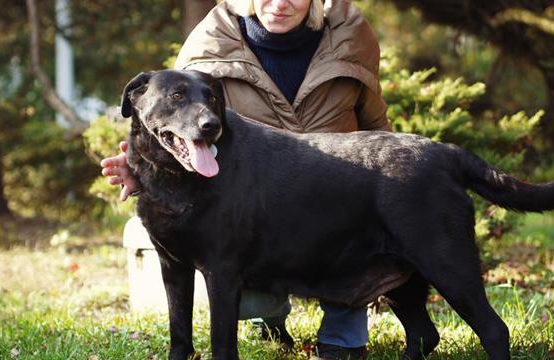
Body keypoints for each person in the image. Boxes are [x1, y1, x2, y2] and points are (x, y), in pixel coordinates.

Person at [101, 0, 389, 358]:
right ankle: (268, 317)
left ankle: (341, 335)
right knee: (239, 279)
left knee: (348, 236)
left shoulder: (351, 35)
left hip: (333, 195)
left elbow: (376, 126)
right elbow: (171, 122)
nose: (280, 3)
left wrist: (390, 185)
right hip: (259, 206)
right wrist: (142, 169)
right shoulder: (209, 43)